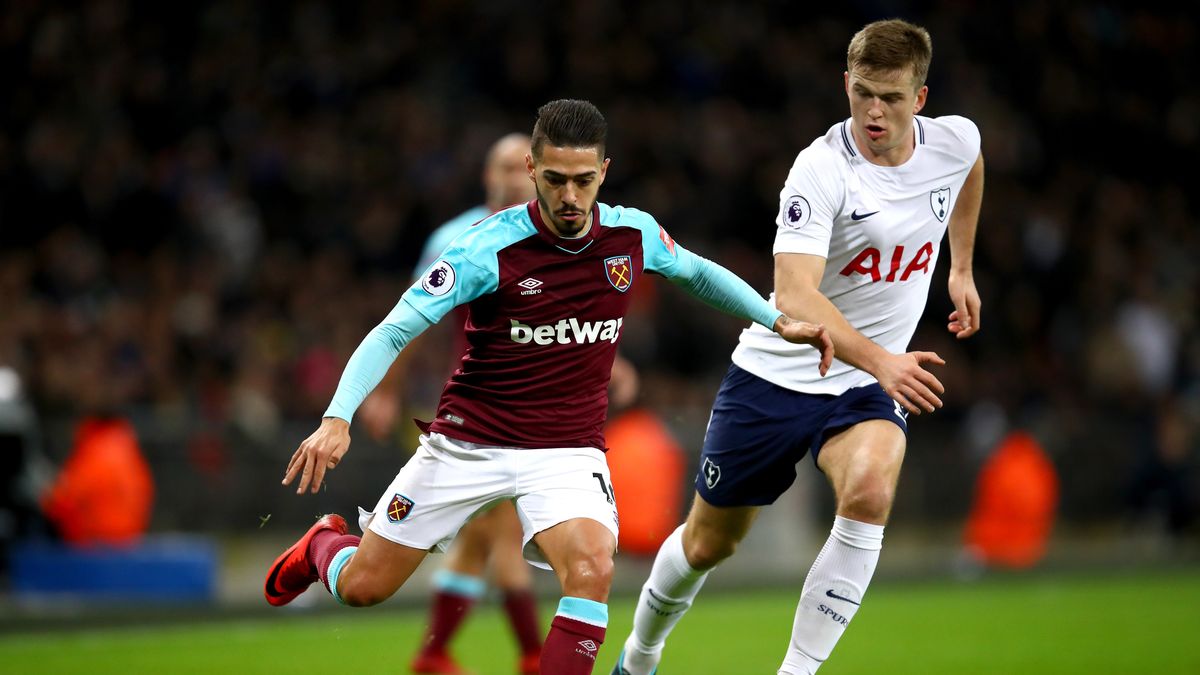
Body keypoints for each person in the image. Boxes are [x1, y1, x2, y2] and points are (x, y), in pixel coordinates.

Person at [263, 98, 834, 675]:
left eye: (583, 181)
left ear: (603, 173)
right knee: (365, 587)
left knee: (592, 568)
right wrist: (337, 416)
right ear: (532, 171)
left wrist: (776, 319)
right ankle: (321, 546)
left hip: (566, 450)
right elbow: (393, 330)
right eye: (555, 180)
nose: (569, 197)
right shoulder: (485, 248)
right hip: (469, 444)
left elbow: (697, 272)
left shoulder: (630, 235)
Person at [611, 19, 984, 675]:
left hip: (862, 389)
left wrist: (961, 267)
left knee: (870, 487)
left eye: (892, 98)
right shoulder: (820, 169)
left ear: (920, 99)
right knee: (707, 543)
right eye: (863, 92)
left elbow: (971, 168)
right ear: (846, 84)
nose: (874, 110)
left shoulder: (954, 141)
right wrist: (884, 360)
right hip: (774, 377)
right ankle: (639, 655)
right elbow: (793, 296)